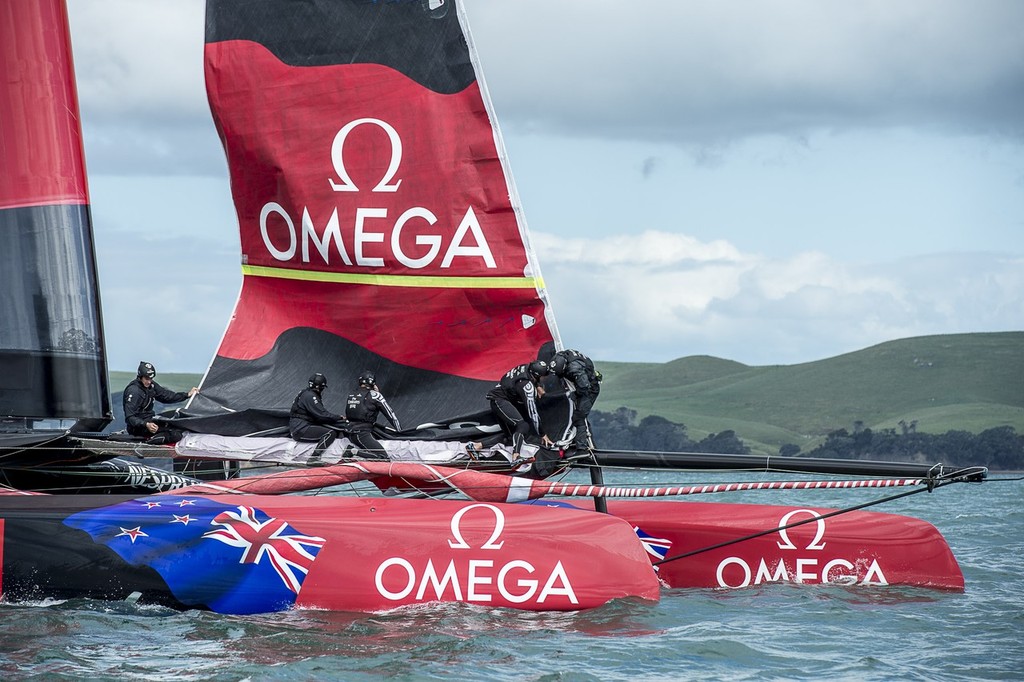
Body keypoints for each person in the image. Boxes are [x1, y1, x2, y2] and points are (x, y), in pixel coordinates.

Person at [486, 360, 553, 462]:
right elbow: (533, 413)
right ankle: (516, 456)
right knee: (523, 426)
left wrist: (538, 386)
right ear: (537, 375)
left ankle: (476, 447)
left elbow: (531, 378)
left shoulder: (526, 367)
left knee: (510, 438)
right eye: (543, 377)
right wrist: (542, 434)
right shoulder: (527, 386)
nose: (545, 379)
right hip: (499, 401)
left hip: (500, 398)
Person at [123, 361, 198, 445]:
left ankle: (160, 435)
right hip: (138, 427)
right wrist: (146, 424)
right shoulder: (134, 391)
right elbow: (129, 417)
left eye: (151, 379)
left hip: (150, 419)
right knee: (176, 435)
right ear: (140, 377)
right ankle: (148, 443)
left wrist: (187, 395)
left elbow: (167, 396)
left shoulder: (151, 385)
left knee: (179, 416)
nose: (149, 382)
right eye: (146, 379)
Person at [549, 349, 602, 452]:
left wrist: (573, 395)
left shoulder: (574, 369)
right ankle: (574, 439)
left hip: (589, 389)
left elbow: (584, 388)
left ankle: (582, 448)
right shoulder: (559, 357)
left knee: (579, 416)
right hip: (580, 382)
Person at [290, 373, 347, 466]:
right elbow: (322, 415)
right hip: (301, 428)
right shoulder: (310, 396)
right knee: (330, 433)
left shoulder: (305, 393)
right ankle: (314, 458)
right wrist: (339, 417)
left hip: (300, 426)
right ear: (319, 387)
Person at [345, 371, 401, 460]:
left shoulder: (351, 394)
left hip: (350, 431)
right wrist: (400, 431)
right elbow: (390, 414)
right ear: (373, 383)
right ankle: (352, 451)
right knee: (384, 458)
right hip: (362, 433)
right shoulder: (375, 395)